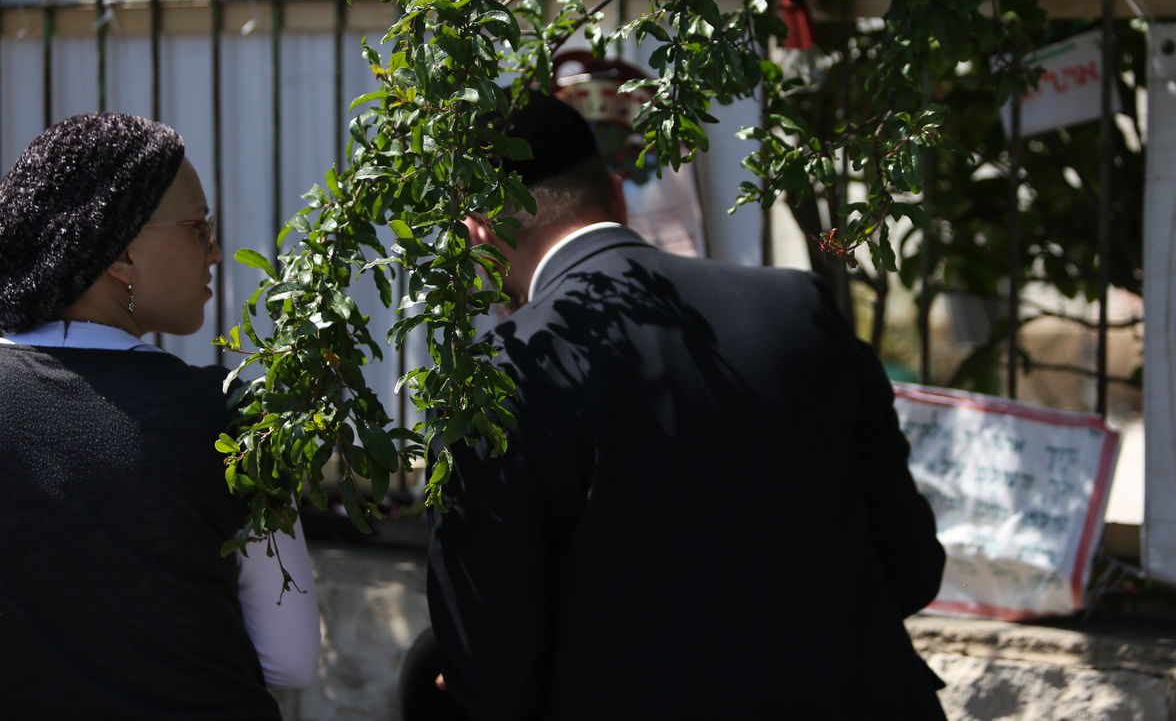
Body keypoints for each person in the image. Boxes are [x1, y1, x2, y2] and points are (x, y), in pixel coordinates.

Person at [427, 94, 948, 720]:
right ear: (616, 195)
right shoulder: (797, 306)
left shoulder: (500, 373)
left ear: (481, 232)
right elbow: (912, 566)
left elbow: (489, 666)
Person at [0, 112, 320, 719]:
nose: (216, 252)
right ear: (121, 252)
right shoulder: (227, 415)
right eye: (199, 227)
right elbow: (291, 659)